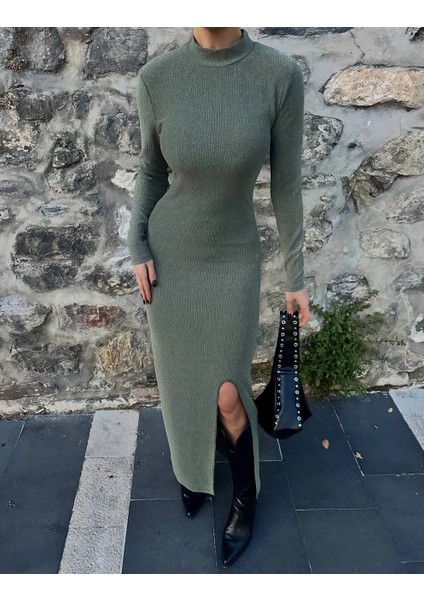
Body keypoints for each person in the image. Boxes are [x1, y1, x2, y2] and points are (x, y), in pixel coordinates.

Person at [127, 26, 310, 568]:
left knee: (229, 391)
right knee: (183, 382)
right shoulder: (157, 78)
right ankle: (192, 472)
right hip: (171, 257)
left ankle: (245, 496)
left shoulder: (278, 75)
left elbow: (287, 184)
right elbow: (150, 172)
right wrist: (137, 244)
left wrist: (296, 277)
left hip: (233, 258)